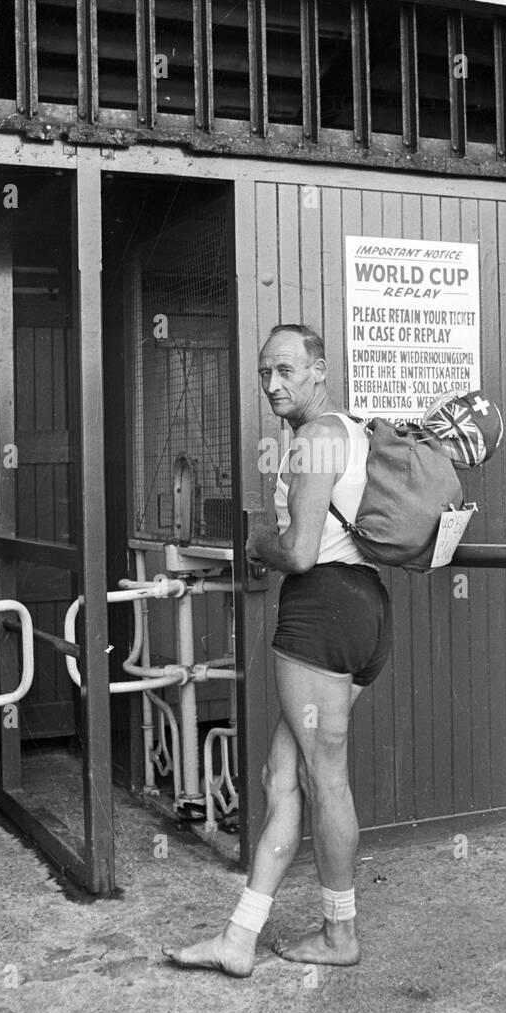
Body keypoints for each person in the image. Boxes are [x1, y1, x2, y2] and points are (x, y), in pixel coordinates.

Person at [162, 323, 391, 976]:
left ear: (319, 370)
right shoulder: (351, 431)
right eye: (265, 373)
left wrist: (256, 539)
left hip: (322, 616)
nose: (273, 384)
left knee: (325, 779)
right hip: (363, 611)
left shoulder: (317, 441)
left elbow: (298, 551)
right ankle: (240, 939)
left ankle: (340, 935)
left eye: (287, 370)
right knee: (280, 779)